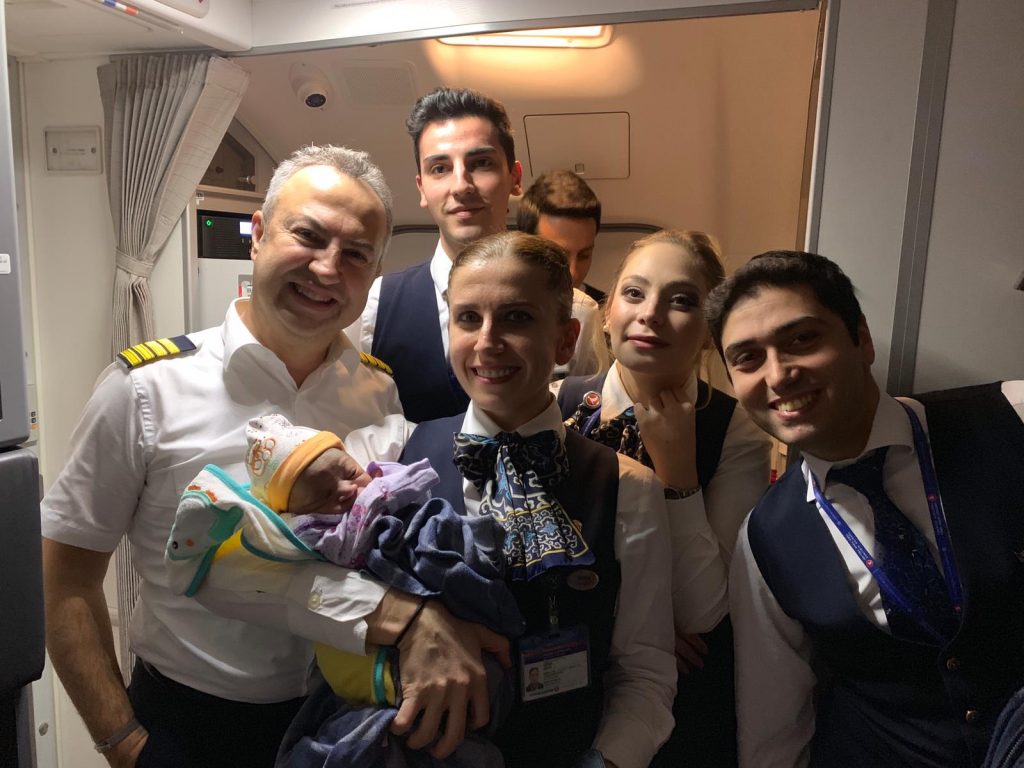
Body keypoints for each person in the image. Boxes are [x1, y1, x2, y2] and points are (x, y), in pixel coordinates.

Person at [40, 145, 507, 768]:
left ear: (373, 273)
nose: (327, 269)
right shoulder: (146, 390)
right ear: (258, 235)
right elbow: (66, 581)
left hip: (343, 717)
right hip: (189, 723)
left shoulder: (378, 391)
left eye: (356, 254)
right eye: (307, 236)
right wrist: (124, 744)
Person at [344, 231, 682, 767]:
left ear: (566, 341)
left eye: (517, 318)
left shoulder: (627, 487)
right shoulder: (387, 452)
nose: (487, 341)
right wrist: (408, 619)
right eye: (468, 318)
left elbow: (644, 673)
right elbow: (322, 596)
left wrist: (606, 760)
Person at [705, 250, 1024, 767]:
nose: (778, 375)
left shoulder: (1012, 418)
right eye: (747, 359)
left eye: (802, 339)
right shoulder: (764, 539)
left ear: (862, 340)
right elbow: (775, 722)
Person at [556, 229, 771, 767]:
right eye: (634, 293)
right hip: (564, 679)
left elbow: (701, 611)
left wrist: (678, 473)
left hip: (685, 701)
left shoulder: (735, 428)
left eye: (681, 301)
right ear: (607, 313)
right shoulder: (553, 405)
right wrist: (639, 626)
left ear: (710, 332)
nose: (650, 314)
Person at [345, 87, 600, 419]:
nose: (461, 185)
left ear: (515, 178)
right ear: (422, 188)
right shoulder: (374, 305)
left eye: (481, 163)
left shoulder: (576, 309)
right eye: (440, 168)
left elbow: (586, 422)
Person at [517, 169, 605, 304]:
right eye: (557, 256)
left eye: (584, 255)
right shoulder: (503, 306)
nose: (573, 273)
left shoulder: (605, 310)